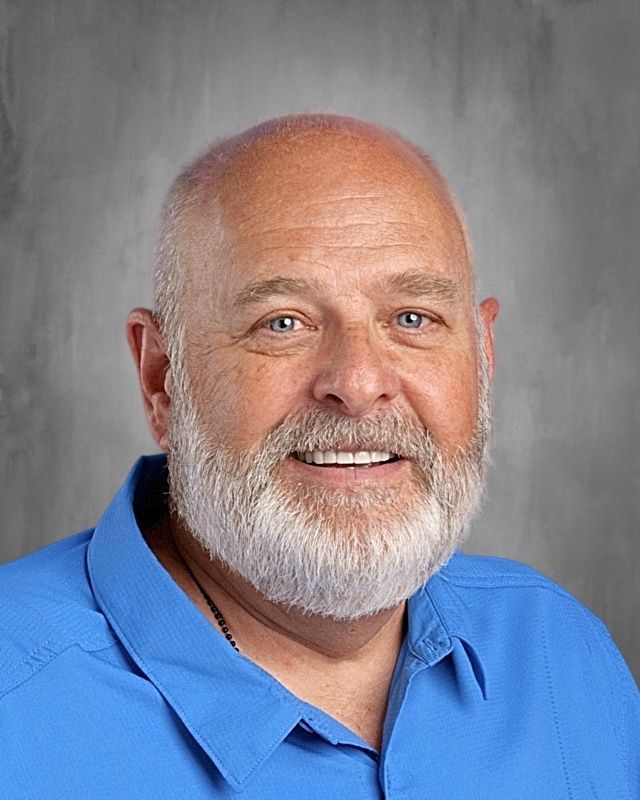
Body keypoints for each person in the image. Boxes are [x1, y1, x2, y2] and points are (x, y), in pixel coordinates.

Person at [0, 114, 637, 799]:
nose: (358, 384)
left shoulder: (559, 655)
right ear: (162, 378)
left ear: (482, 357)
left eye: (412, 319)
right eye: (283, 323)